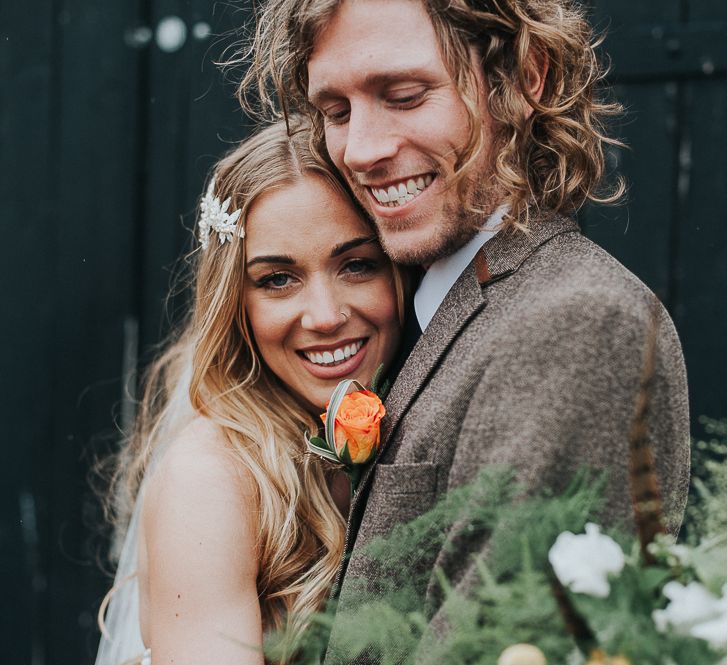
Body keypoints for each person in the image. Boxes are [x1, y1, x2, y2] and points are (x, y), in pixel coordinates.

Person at [240, 0, 691, 661]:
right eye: (334, 111)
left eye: (403, 94)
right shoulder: (411, 307)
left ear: (525, 77)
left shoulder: (574, 321)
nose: (360, 150)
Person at [95, 119, 404, 665]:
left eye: (356, 265)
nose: (327, 316)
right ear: (237, 303)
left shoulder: (415, 408)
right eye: (277, 279)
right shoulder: (211, 479)